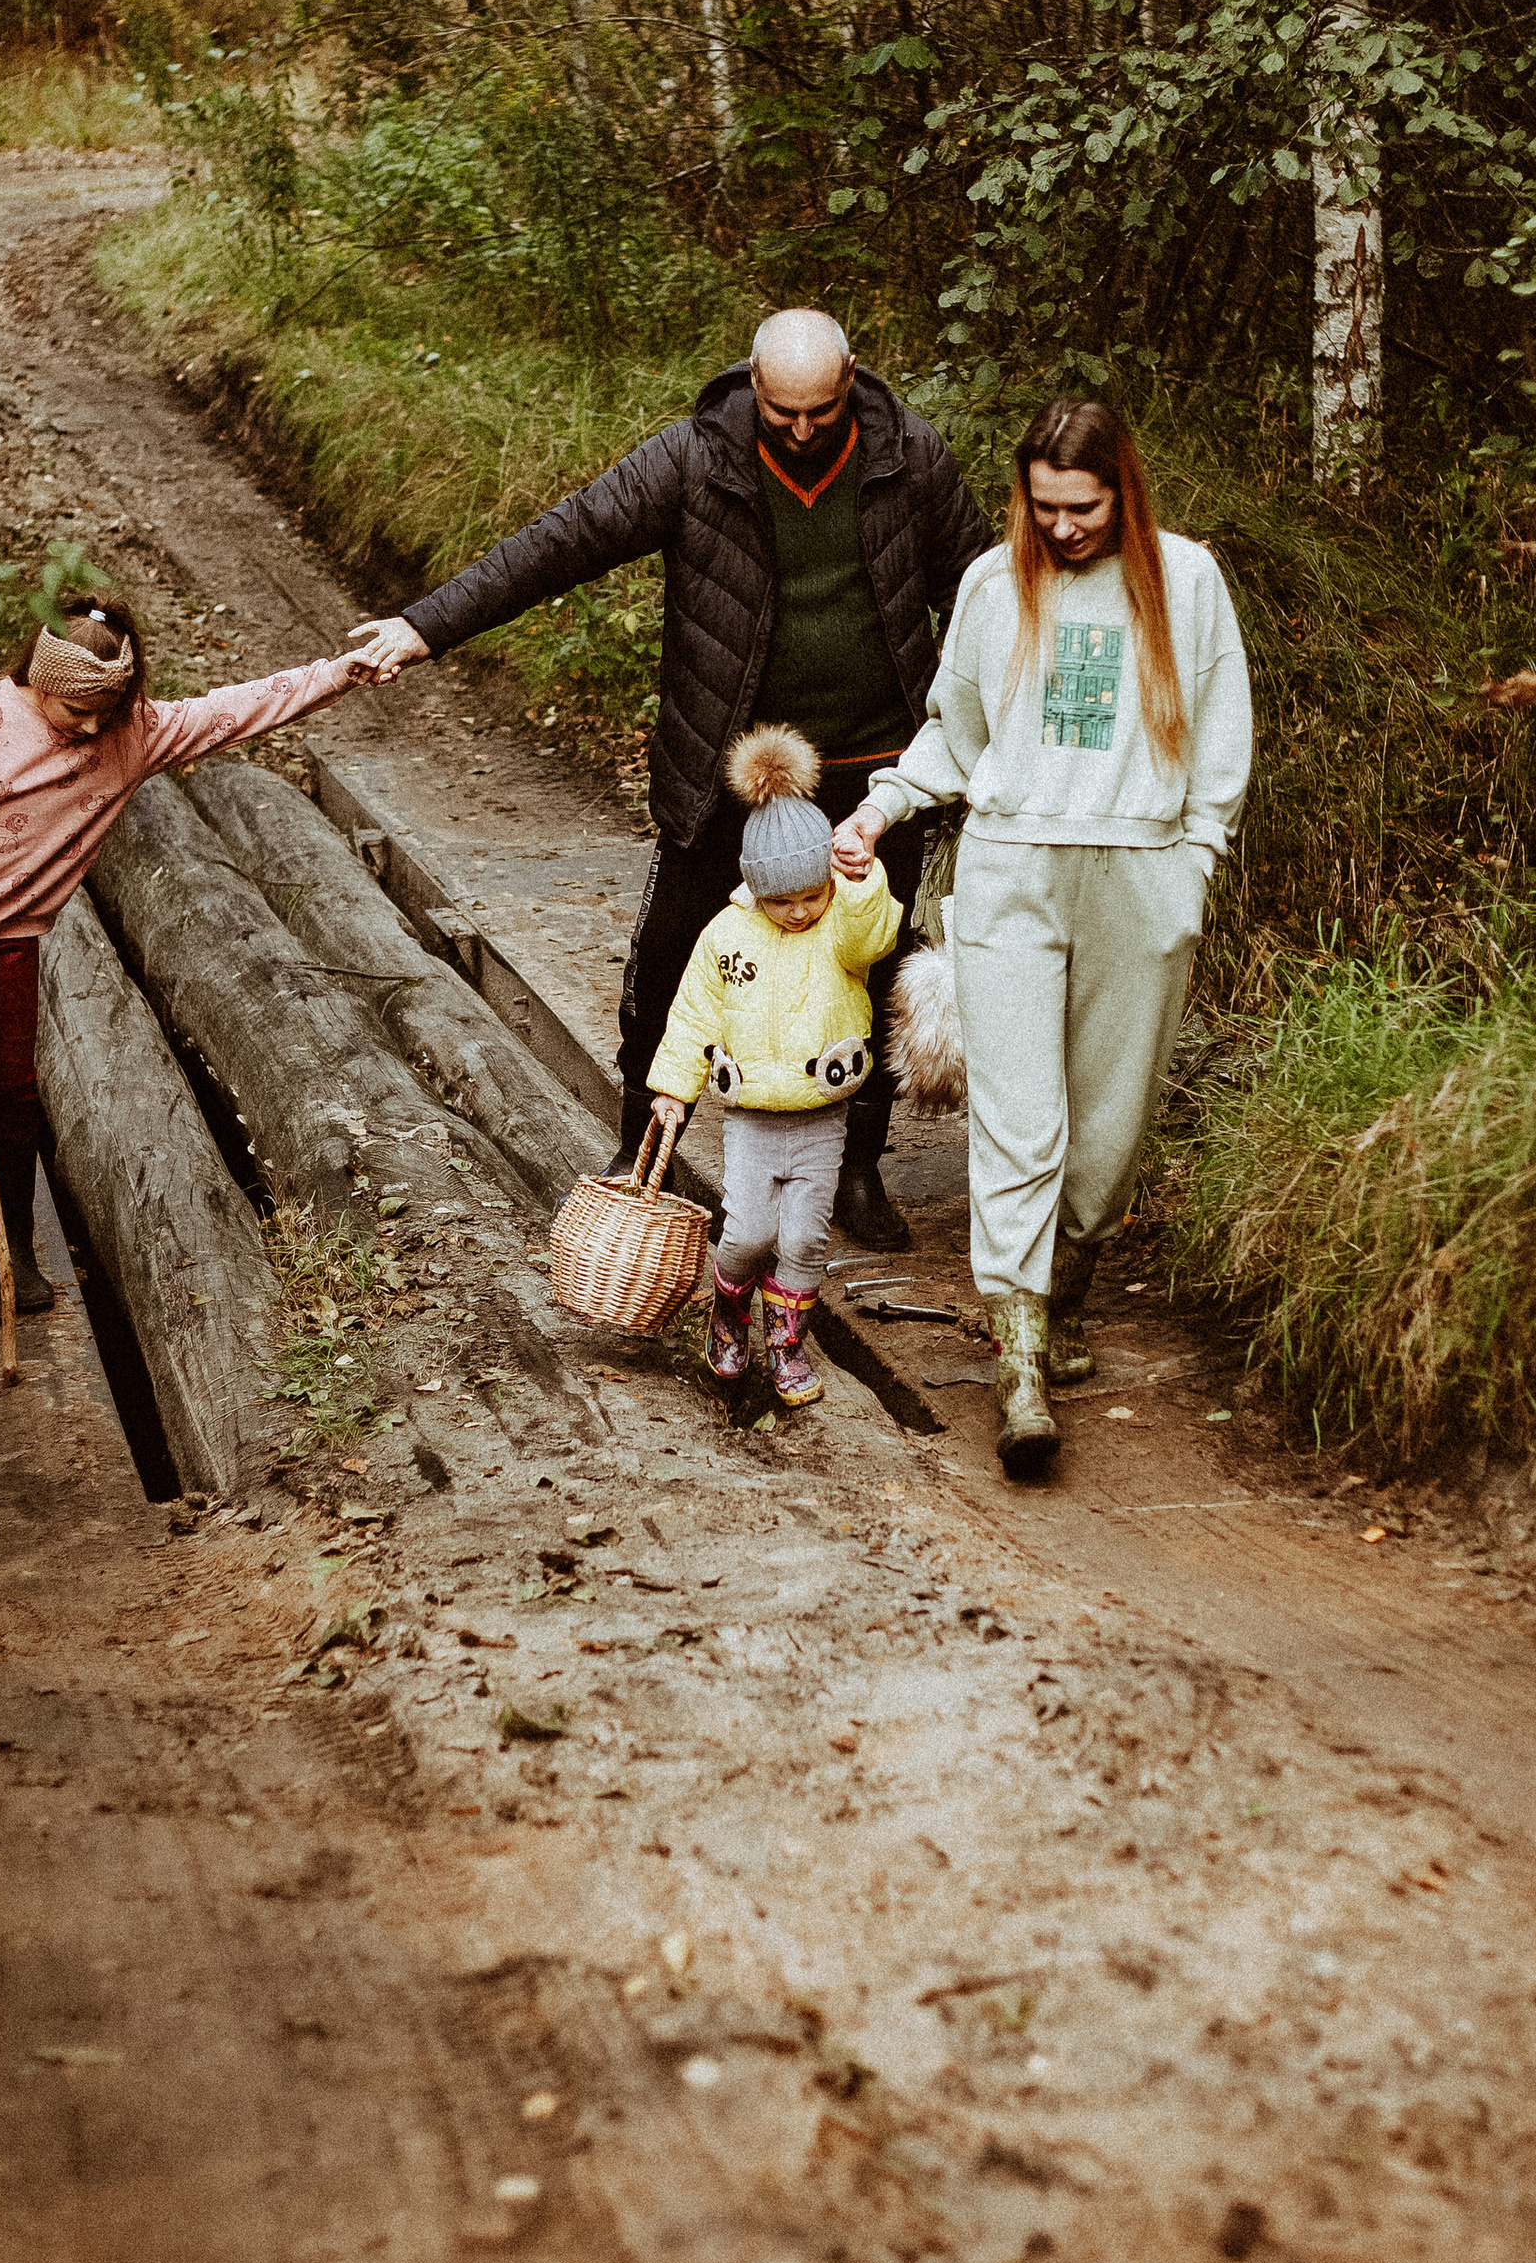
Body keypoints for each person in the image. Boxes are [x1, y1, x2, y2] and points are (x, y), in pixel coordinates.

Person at [347, 308, 989, 1249]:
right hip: (727, 769)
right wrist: (425, 626)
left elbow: (983, 593)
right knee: (673, 961)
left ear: (851, 377)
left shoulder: (909, 457)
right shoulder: (697, 458)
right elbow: (562, 541)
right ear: (754, 388)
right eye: (783, 413)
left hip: (874, 769)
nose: (803, 431)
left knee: (868, 963)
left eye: (821, 410)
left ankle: (855, 1169)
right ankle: (637, 1150)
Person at [831, 397, 1252, 1479]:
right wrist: (881, 807)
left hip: (1139, 874)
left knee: (1105, 1135)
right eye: (1042, 504)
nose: (1061, 527)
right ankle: (1017, 1363)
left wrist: (1194, 865)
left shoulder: (1188, 583)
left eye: (1083, 506)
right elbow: (953, 731)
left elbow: (1221, 734)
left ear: (1123, 491)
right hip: (1013, 863)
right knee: (1017, 1121)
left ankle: (1065, 1297)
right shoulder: (989, 583)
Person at [0, 592, 376, 1328]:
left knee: (14, 1089)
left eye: (102, 712)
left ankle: (14, 1244)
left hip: (12, 930)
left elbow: (236, 709)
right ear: (36, 680)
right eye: (71, 710)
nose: (87, 727)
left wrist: (340, 673)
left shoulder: (133, 732)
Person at [646, 726, 901, 1411]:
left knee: (804, 1238)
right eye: (780, 901)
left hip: (823, 1114)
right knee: (750, 1231)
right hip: (752, 1118)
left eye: (810, 895)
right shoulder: (727, 936)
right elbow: (695, 1013)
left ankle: (787, 1341)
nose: (798, 912)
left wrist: (861, 876)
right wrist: (674, 1088)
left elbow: (876, 934)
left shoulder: (841, 926)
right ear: (753, 888)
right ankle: (729, 1304)